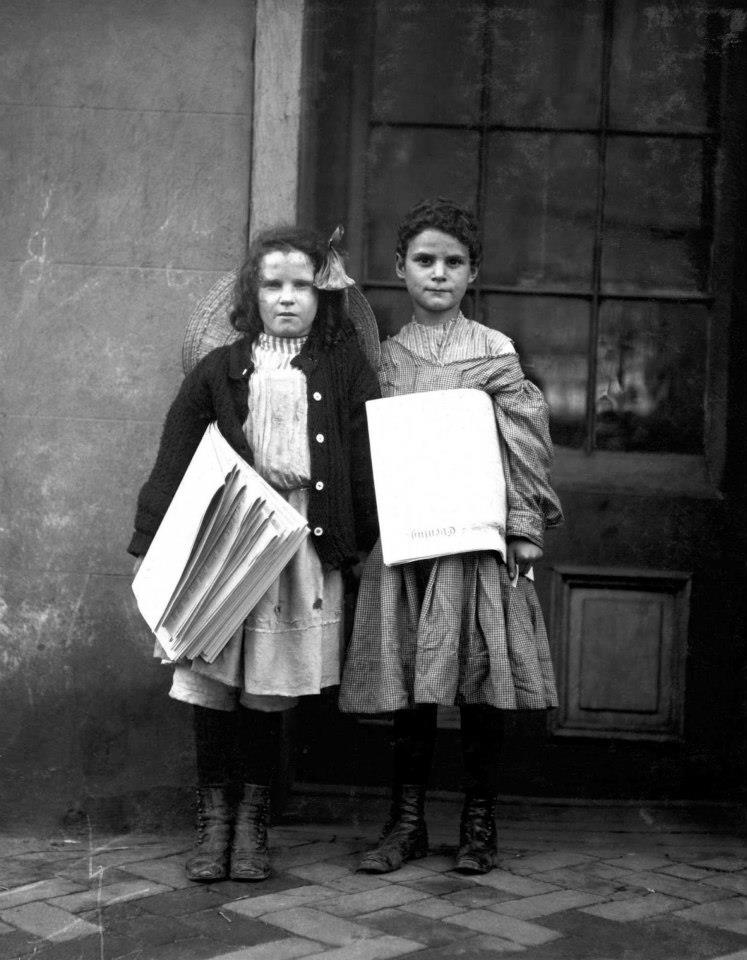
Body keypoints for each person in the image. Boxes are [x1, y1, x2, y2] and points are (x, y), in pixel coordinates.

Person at [128, 226, 380, 882]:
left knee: (268, 686)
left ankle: (253, 824)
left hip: (300, 542)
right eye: (273, 285)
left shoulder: (343, 367)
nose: (288, 298)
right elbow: (175, 453)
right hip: (228, 539)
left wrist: (362, 542)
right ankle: (213, 821)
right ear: (252, 293)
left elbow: (366, 456)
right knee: (213, 681)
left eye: (303, 285)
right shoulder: (221, 370)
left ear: (321, 297)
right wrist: (153, 542)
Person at [339, 197, 563, 876]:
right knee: (409, 686)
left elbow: (523, 442)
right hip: (408, 542)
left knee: (477, 680)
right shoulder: (385, 356)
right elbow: (369, 445)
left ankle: (477, 821)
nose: (438, 274)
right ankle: (405, 823)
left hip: (473, 542)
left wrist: (523, 527)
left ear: (472, 273)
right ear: (400, 269)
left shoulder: (491, 350)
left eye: (452, 262)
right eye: (424, 261)